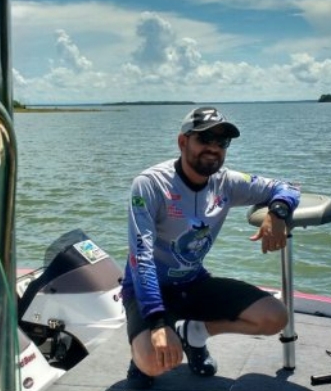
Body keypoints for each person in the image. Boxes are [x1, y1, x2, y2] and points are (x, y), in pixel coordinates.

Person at [121, 106, 300, 388]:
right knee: (154, 362)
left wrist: (277, 212)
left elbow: (287, 187)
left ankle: (195, 333)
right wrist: (157, 324)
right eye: (204, 139)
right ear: (183, 142)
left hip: (193, 282)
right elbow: (141, 257)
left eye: (222, 141)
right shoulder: (150, 184)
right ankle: (142, 357)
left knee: (275, 317)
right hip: (149, 288)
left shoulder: (226, 182)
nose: (213, 148)